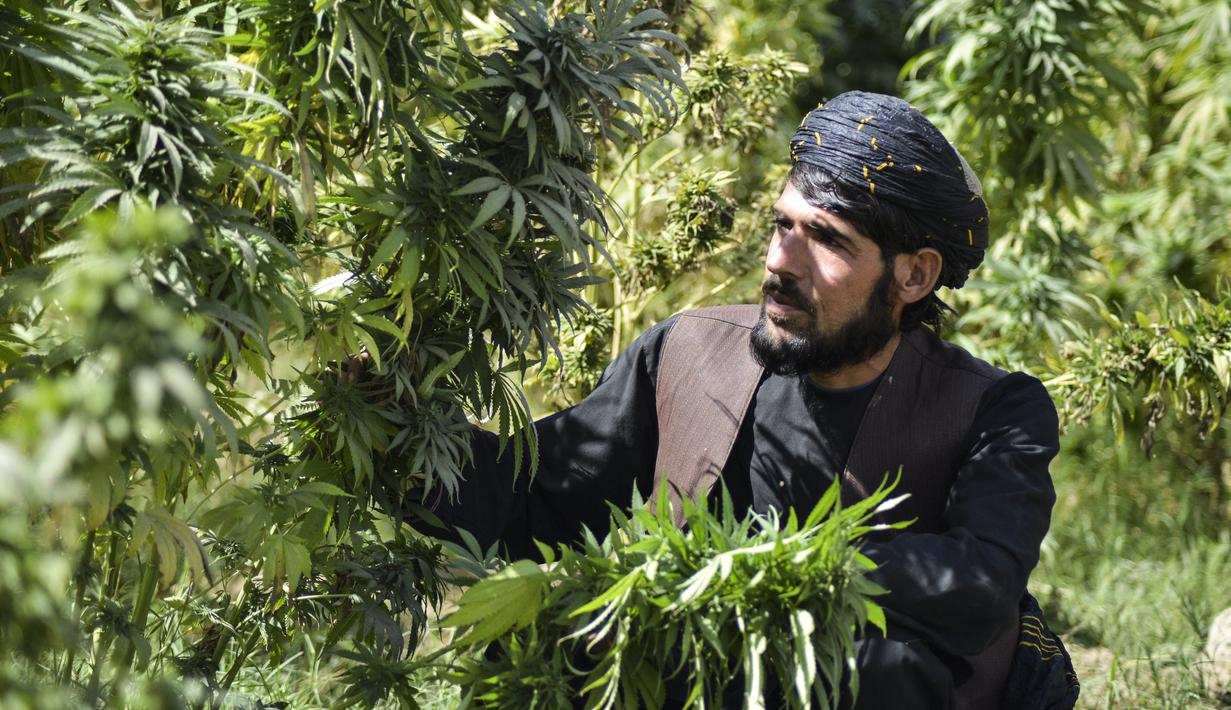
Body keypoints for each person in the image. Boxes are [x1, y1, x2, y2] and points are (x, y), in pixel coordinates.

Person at [427, 91, 1071, 709]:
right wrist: (404, 435)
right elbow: (537, 494)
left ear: (914, 275)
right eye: (782, 225)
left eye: (827, 239)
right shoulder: (687, 351)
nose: (780, 262)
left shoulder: (994, 411)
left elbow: (981, 579)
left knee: (876, 669)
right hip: (693, 682)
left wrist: (768, 567)